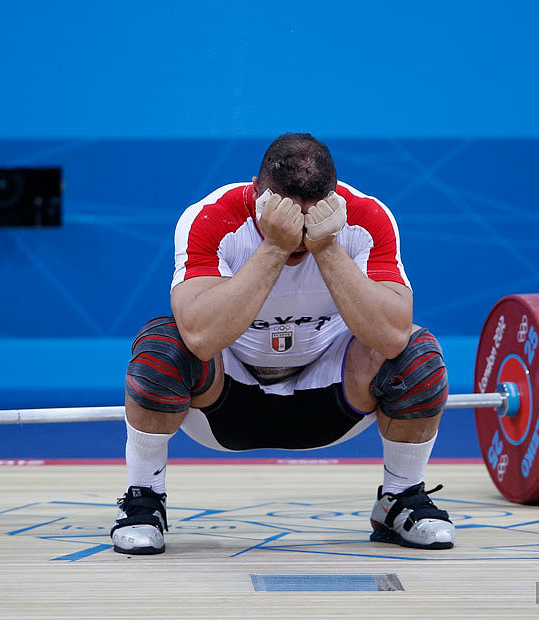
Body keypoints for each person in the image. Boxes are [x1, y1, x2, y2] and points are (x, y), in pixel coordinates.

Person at [111, 133, 455, 554]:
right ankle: (143, 500)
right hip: (228, 402)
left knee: (418, 356)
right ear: (256, 190)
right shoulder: (210, 219)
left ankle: (399, 498)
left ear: (333, 201)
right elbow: (200, 338)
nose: (298, 229)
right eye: (284, 213)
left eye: (310, 217)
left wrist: (326, 246)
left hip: (329, 398)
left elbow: (392, 336)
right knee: (162, 348)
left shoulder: (365, 219)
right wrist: (275, 246)